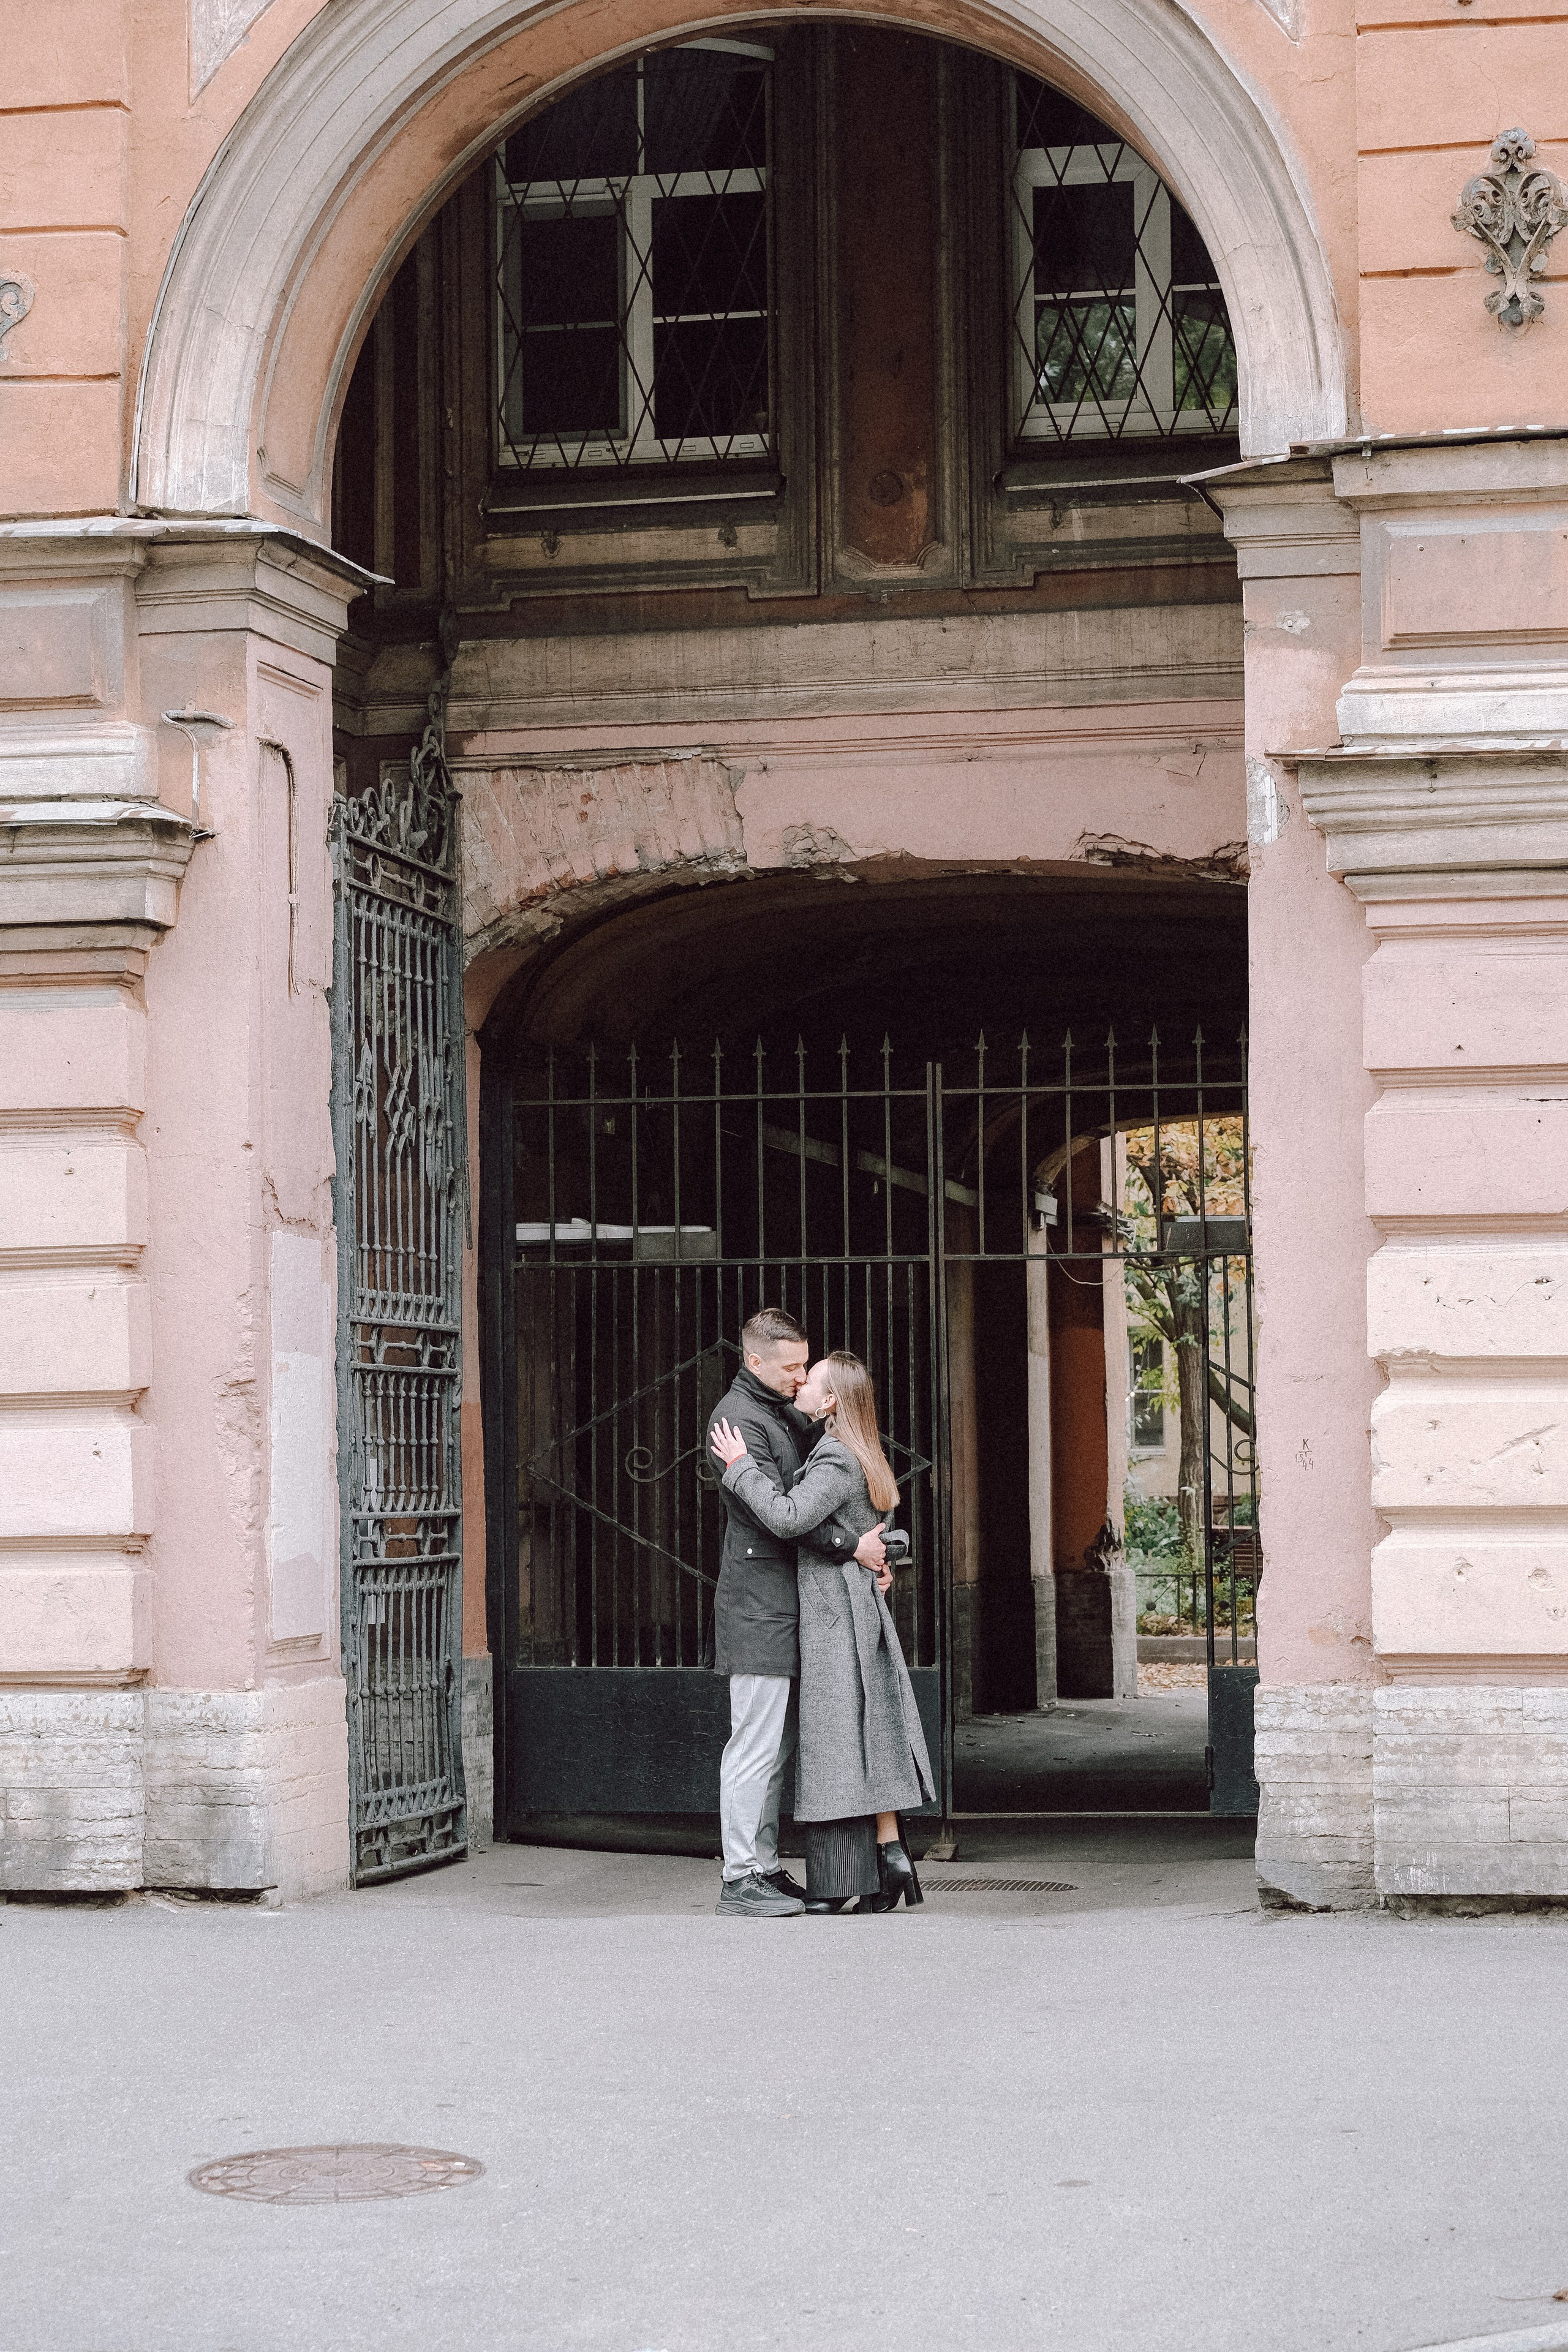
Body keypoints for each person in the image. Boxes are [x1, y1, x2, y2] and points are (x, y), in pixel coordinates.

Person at [710, 1349, 935, 1915]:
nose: (802, 1384)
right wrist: (874, 1550)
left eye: (812, 1379)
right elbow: (871, 1526)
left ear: (832, 1400)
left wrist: (740, 1470)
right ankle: (888, 1856)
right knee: (860, 1733)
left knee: (839, 1740)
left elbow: (787, 1518)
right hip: (850, 1605)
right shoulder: (850, 1449)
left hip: (834, 1612)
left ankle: (847, 1875)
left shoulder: (834, 1457)